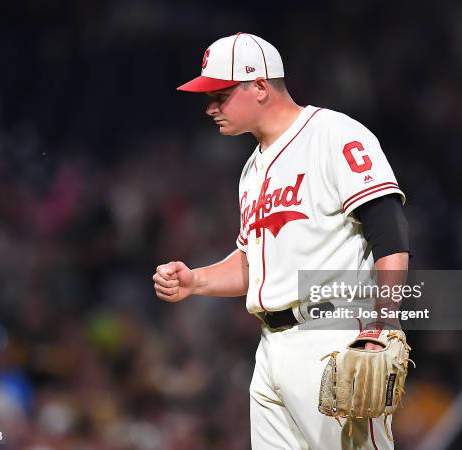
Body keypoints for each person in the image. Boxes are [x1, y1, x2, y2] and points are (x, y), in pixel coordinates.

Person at [153, 32, 410, 450]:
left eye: (220, 93)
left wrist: (383, 325)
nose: (210, 107)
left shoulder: (333, 134)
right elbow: (255, 261)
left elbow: (389, 232)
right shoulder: (252, 169)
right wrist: (195, 281)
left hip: (334, 337)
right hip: (271, 347)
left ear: (259, 86)